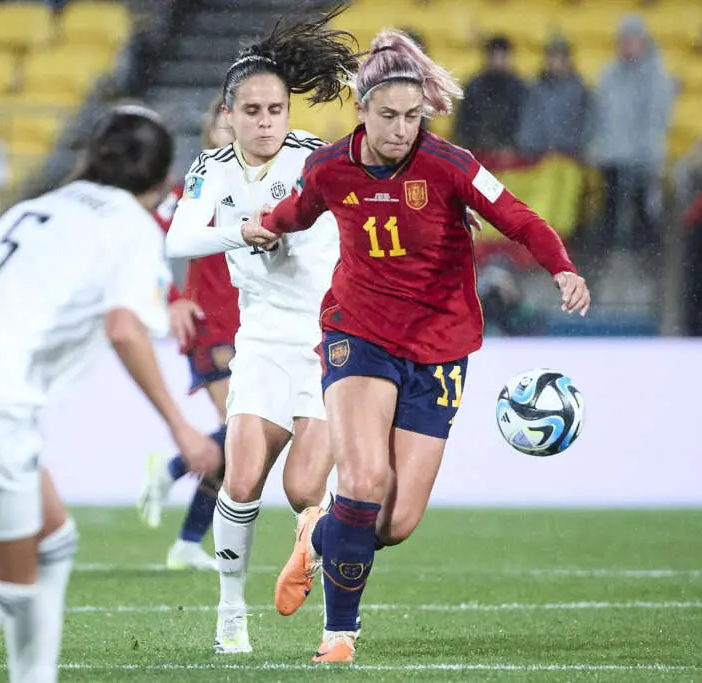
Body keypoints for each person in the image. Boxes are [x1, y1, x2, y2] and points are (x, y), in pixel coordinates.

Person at [243, 30, 591, 662]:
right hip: (358, 335)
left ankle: (318, 535)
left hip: (439, 348)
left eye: (412, 116)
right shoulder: (328, 167)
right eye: (389, 116)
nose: (402, 129)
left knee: (394, 522)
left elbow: (519, 216)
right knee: (366, 478)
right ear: (361, 109)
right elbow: (297, 210)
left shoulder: (450, 165)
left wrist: (561, 267)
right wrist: (263, 228)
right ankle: (339, 635)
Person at [0, 106, 221, 683]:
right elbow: (124, 327)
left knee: (53, 540)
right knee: (1, 582)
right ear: (158, 181)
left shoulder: (39, 206)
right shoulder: (129, 225)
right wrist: (182, 428)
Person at [164, 5, 357, 654]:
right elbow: (182, 236)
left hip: (329, 341)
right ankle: (229, 615)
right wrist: (240, 230)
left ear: (288, 112)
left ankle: (314, 539)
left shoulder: (318, 161)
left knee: (304, 486)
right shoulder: (211, 170)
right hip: (263, 342)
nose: (266, 121)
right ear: (230, 113)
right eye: (252, 111)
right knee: (241, 477)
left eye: (276, 109)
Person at [137, 95, 237, 572]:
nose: (232, 130)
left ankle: (185, 543)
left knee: (245, 443)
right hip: (212, 325)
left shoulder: (267, 185)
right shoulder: (197, 186)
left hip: (256, 324)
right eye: (222, 124)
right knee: (242, 431)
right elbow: (145, 236)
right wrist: (173, 297)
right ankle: (175, 468)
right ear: (208, 134)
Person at [587, 14, 673, 252]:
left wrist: (649, 156)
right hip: (612, 157)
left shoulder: (656, 76)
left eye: (630, 39)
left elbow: (655, 121)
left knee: (643, 217)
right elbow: (600, 115)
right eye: (622, 39)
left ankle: (647, 262)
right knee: (610, 212)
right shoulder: (609, 75)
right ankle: (607, 261)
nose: (625, 45)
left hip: (642, 159)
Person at [453, 35, 527, 164]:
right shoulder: (474, 87)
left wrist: (511, 146)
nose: (498, 61)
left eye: (502, 56)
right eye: (495, 56)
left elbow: (524, 123)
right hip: (479, 154)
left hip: (511, 158)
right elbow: (464, 124)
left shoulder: (519, 88)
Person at [517, 34, 590, 160]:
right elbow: (529, 122)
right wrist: (533, 148)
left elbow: (585, 124)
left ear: (568, 60)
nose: (555, 63)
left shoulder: (579, 90)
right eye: (552, 57)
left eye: (560, 58)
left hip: (570, 158)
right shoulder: (535, 89)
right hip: (540, 158)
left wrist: (571, 148)